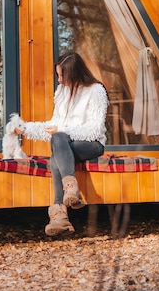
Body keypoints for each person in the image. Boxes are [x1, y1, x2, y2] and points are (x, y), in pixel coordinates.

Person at [15, 52, 109, 236]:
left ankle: (60, 215)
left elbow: (94, 130)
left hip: (91, 144)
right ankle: (70, 189)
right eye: (57, 75)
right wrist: (25, 128)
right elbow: (54, 127)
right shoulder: (62, 92)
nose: (59, 80)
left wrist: (62, 129)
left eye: (61, 75)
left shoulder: (96, 91)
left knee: (58, 146)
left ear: (74, 73)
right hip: (64, 145)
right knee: (58, 142)